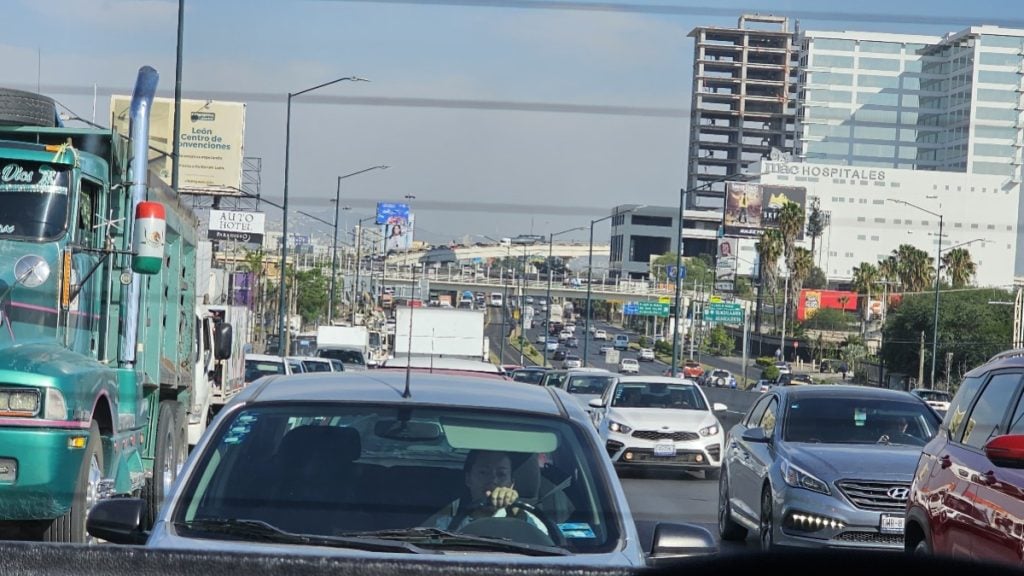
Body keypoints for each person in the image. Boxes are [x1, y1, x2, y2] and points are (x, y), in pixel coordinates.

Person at [426, 450, 548, 533]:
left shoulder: (530, 520)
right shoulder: (446, 525)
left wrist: (517, 514)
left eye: (501, 474)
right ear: (468, 479)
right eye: (483, 472)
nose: (493, 480)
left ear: (511, 484)